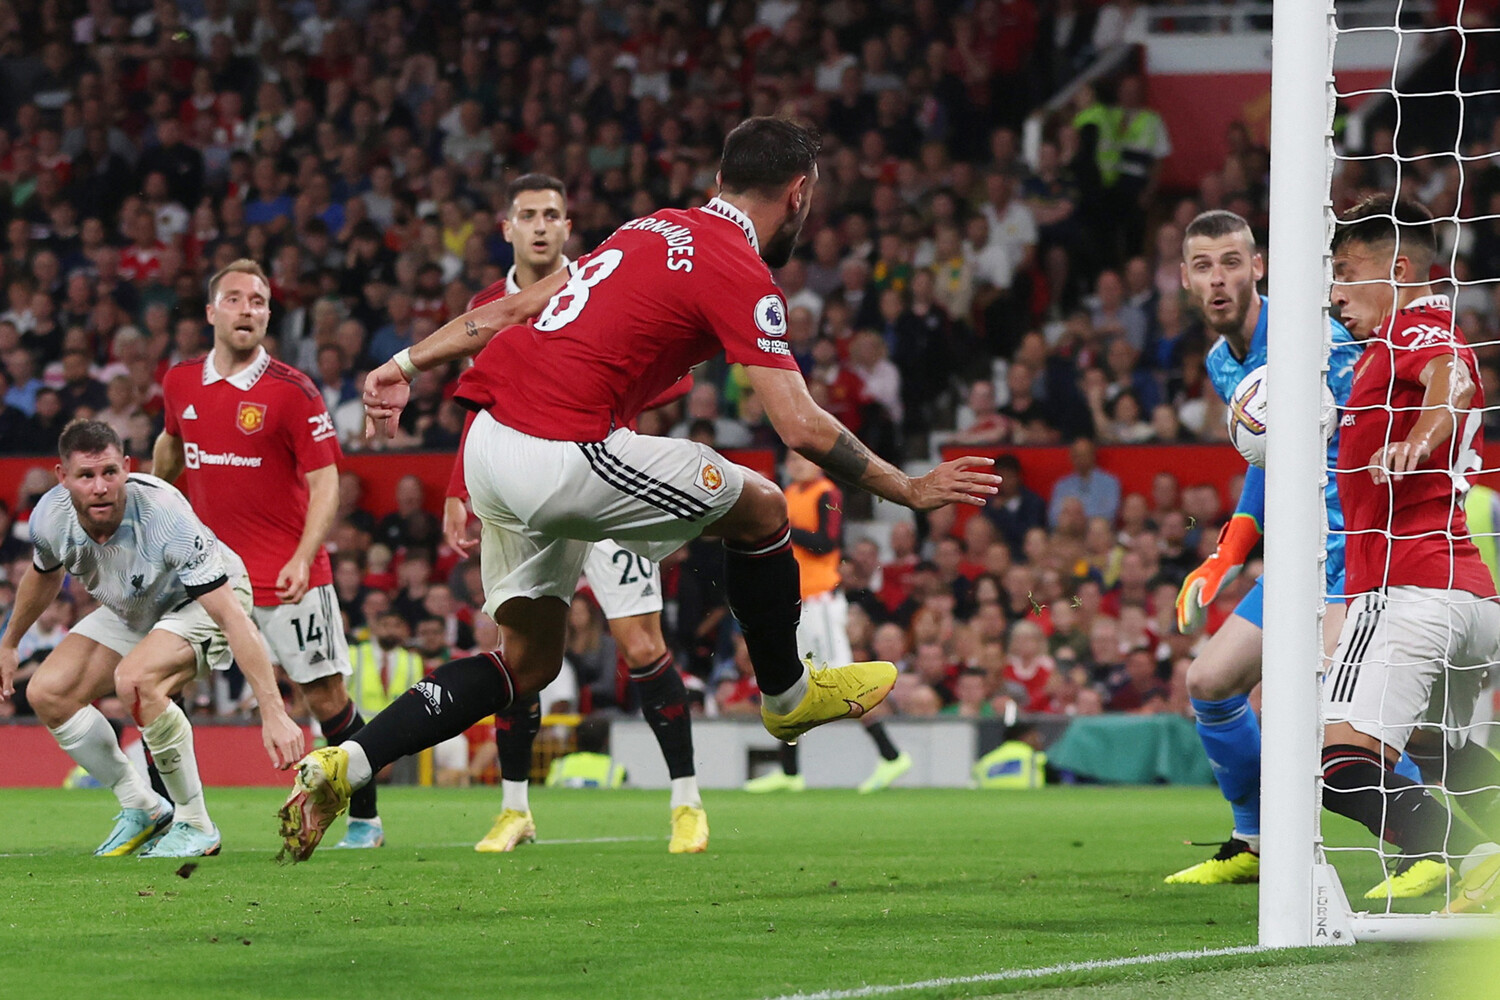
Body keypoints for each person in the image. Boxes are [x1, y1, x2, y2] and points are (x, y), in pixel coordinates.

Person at [279, 117, 999, 861]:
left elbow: (515, 309)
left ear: (718, 181)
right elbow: (801, 427)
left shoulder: (648, 227)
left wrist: (402, 364)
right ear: (799, 194)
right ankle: (787, 695)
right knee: (764, 506)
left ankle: (348, 763)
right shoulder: (739, 269)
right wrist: (908, 488)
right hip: (562, 450)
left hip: (490, 445)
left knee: (525, 664)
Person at [440, 174, 707, 855]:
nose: (539, 226)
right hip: (522, 486)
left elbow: (676, 371)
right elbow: (479, 401)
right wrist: (456, 489)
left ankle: (686, 801)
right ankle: (514, 809)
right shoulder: (486, 308)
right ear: (506, 228)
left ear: (567, 227)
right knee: (519, 649)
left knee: (641, 642)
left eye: (552, 215)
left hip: (605, 478)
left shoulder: (602, 280)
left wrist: (620, 394)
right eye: (527, 215)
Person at [1164, 210, 1368, 888]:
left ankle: (1434, 845)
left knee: (1317, 717)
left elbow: (1366, 429)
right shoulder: (1223, 362)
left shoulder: (1314, 337)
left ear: (1257, 267)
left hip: (1357, 550)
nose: (1218, 279)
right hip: (1298, 559)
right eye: (1203, 266)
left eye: (1231, 262)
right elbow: (1268, 458)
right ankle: (1254, 841)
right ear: (1185, 279)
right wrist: (1227, 553)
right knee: (1209, 683)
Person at [152, 260, 383, 849]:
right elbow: (170, 449)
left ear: (268, 315)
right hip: (210, 578)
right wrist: (154, 513)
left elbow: (327, 483)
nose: (247, 309)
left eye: (258, 301)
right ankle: (170, 816)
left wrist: (305, 556)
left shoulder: (292, 390)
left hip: (288, 575)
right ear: (211, 312)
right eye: (234, 299)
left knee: (326, 699)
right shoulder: (180, 381)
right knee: (160, 683)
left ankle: (366, 819)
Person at [0, 419, 303, 858]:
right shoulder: (50, 516)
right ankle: (142, 804)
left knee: (137, 680)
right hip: (136, 605)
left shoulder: (164, 515)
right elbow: (44, 575)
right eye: (86, 475)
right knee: (48, 692)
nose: (100, 487)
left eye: (110, 472)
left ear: (127, 467)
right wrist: (10, 643)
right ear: (62, 477)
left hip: (203, 600)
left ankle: (196, 824)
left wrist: (273, 711)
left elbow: (232, 618)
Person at [1324, 195, 1500, 913]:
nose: (1335, 293)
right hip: (1466, 594)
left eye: (1346, 272)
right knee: (1438, 749)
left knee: (1337, 766)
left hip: (1408, 589)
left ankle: (1471, 857)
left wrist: (1418, 439)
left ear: (1397, 269)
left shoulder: (1415, 329)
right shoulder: (1390, 345)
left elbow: (1452, 379)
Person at [744, 450, 911, 794]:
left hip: (820, 603)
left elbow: (826, 543)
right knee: (792, 681)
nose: (796, 464)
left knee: (840, 679)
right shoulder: (787, 494)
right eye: (791, 460)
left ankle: (891, 755)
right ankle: (790, 772)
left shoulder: (828, 493)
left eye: (802, 458)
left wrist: (783, 528)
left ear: (817, 463)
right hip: (797, 601)